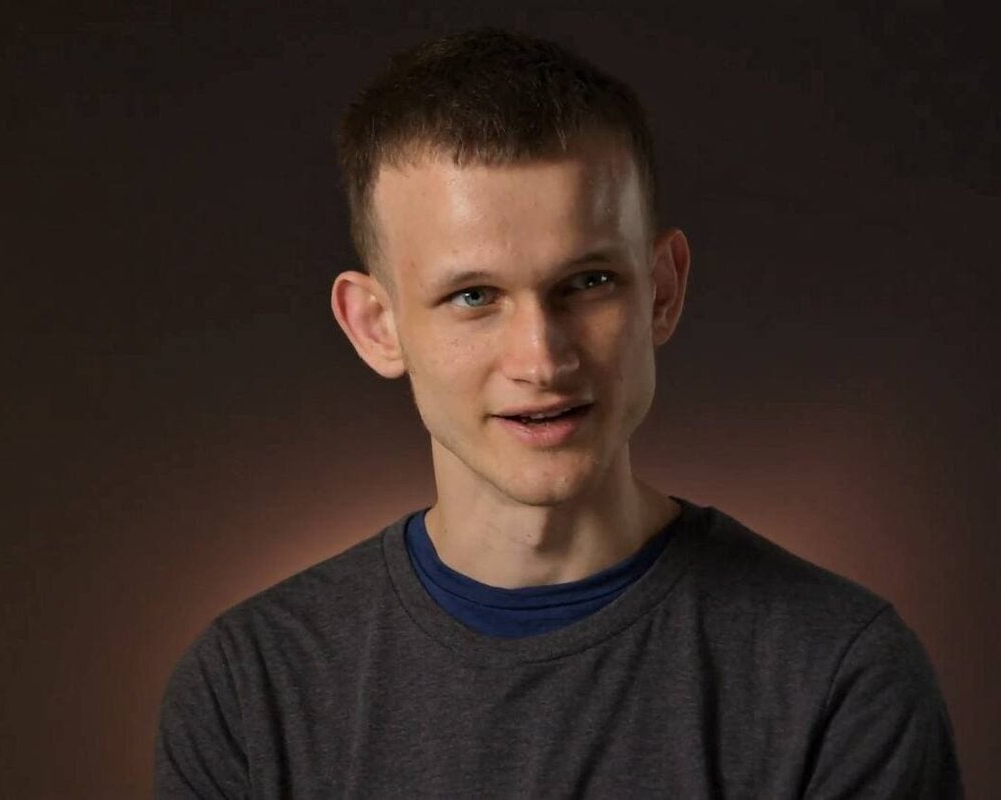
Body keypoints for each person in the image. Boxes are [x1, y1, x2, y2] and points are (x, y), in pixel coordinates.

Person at [154, 28, 962, 798]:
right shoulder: (247, 691)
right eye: (474, 296)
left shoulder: (840, 675)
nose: (541, 360)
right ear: (376, 326)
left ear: (663, 290)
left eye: (588, 283)